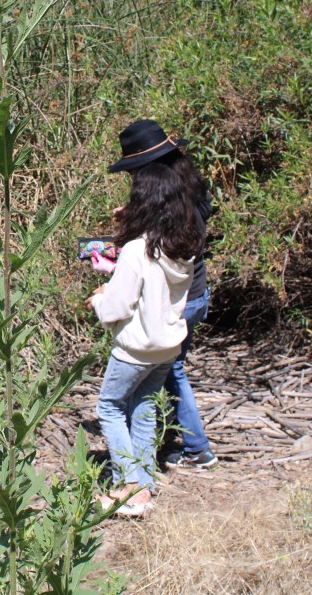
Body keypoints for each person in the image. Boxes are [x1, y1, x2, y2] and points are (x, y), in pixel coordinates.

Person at [92, 119, 218, 471]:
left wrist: (106, 294)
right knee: (158, 380)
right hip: (188, 292)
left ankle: (194, 447)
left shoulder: (167, 217)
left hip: (177, 300)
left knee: (166, 373)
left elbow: (124, 297)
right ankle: (148, 464)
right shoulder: (186, 190)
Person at [86, 158, 203, 517]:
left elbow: (116, 309)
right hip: (167, 346)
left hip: (135, 349)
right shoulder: (183, 246)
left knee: (109, 407)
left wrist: (99, 298)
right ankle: (145, 484)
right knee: (144, 408)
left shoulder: (138, 250)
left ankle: (130, 486)